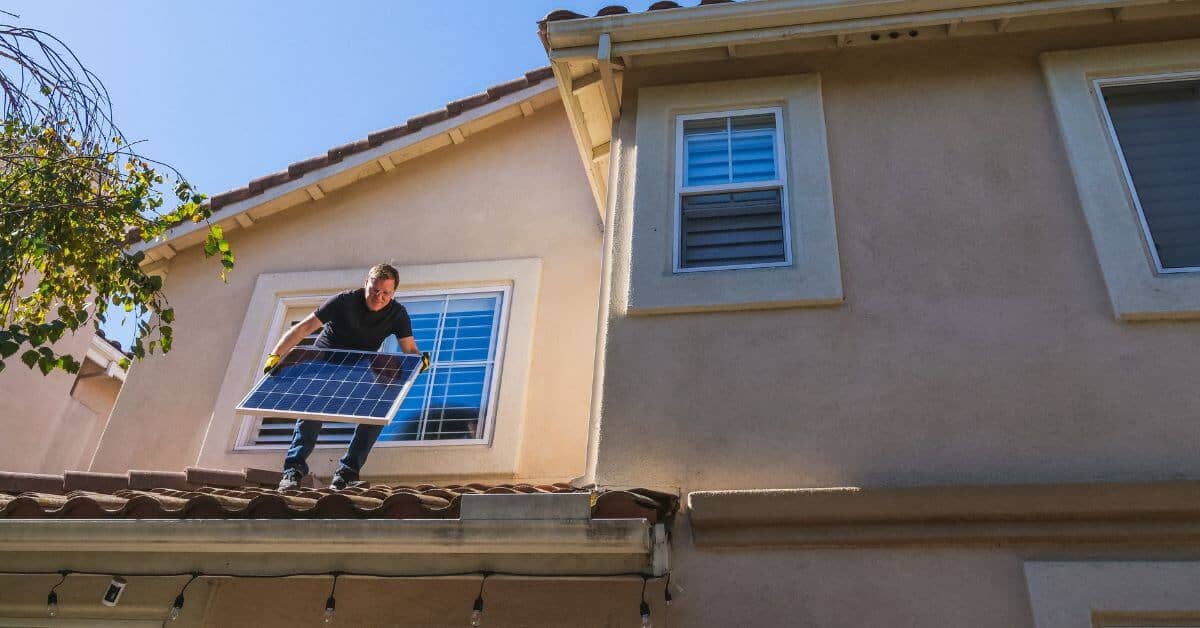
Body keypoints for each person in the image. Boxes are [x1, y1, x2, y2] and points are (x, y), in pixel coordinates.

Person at [265, 263, 428, 491]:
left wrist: (420, 360)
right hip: (324, 362)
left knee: (378, 409)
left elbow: (409, 348)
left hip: (358, 366)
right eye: (375, 290)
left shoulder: (397, 314)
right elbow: (303, 329)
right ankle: (293, 471)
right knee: (312, 411)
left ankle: (347, 472)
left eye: (386, 293)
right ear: (366, 285)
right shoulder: (344, 301)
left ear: (393, 293)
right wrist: (276, 355)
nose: (379, 297)